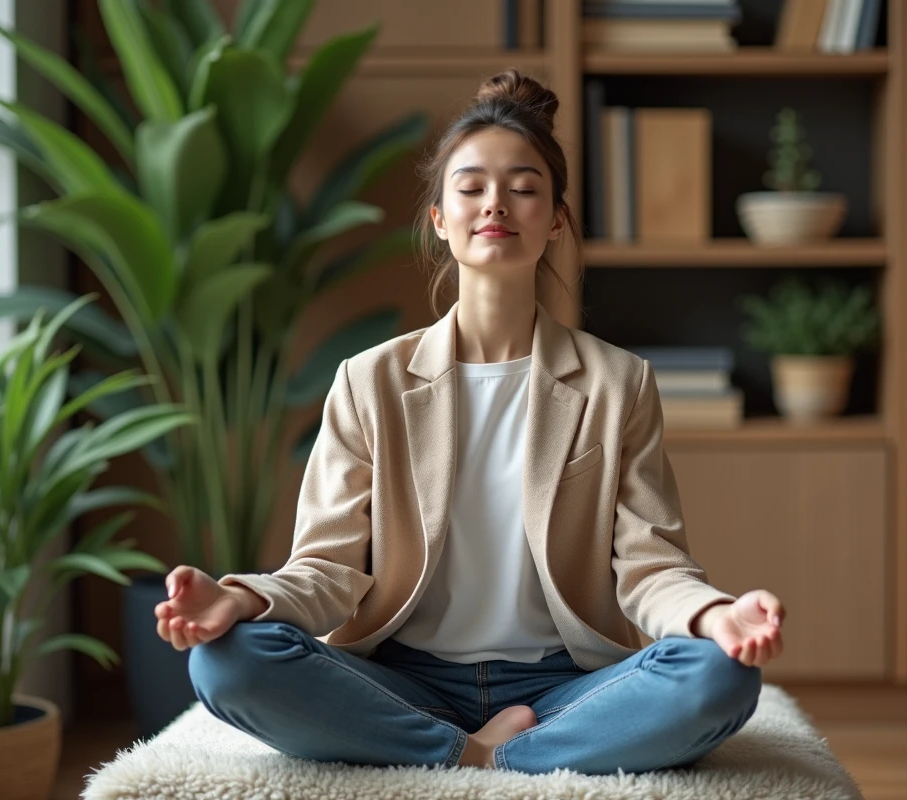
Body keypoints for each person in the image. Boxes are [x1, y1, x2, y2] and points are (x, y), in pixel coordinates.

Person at [155, 68, 787, 776]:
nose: (497, 205)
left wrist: (715, 617)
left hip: (562, 684)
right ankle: (479, 753)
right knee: (229, 662)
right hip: (404, 679)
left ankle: (469, 750)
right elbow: (328, 570)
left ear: (554, 220)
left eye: (523, 187)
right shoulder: (370, 382)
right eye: (471, 187)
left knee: (719, 676)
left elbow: (650, 569)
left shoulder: (619, 383)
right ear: (439, 219)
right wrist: (238, 597)